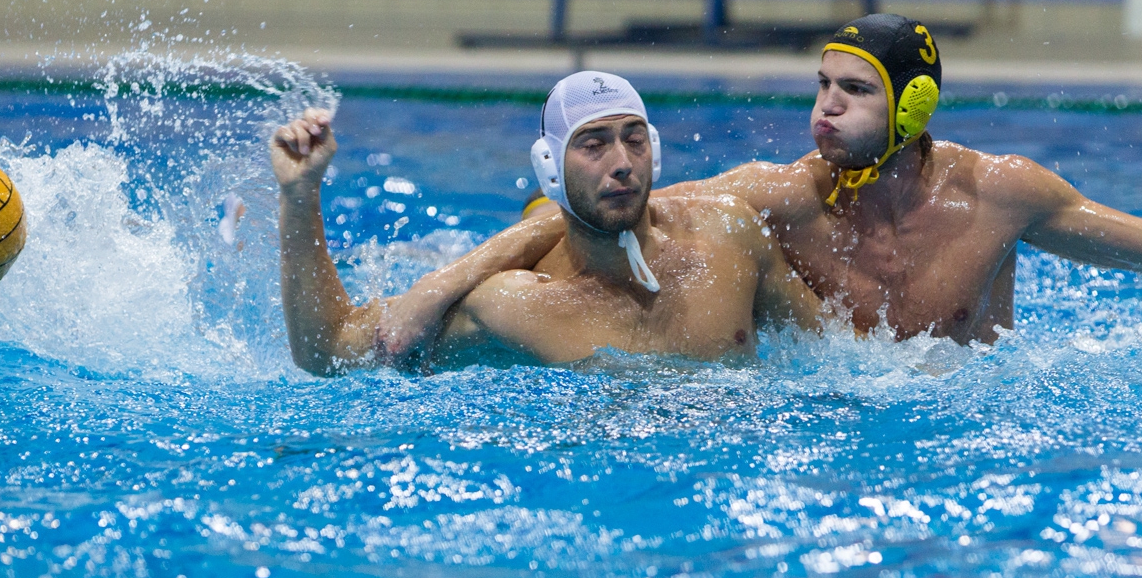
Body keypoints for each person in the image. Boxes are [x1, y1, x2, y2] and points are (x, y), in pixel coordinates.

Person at [524, 15, 1142, 344]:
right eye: (821, 87)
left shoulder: (998, 195)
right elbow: (600, 207)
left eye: (853, 91)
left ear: (913, 107)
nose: (823, 111)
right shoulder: (779, 196)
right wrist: (458, 275)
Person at [270, 71, 821, 373]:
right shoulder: (516, 305)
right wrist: (300, 196)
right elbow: (328, 351)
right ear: (550, 167)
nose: (622, 161)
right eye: (593, 144)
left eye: (634, 138)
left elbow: (837, 353)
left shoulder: (728, 237)